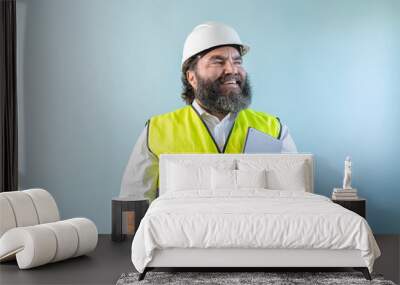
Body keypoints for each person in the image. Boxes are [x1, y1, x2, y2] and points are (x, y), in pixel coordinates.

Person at [120, 21, 297, 201]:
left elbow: (293, 198)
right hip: (183, 229)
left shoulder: (274, 129)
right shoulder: (157, 131)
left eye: (237, 61)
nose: (232, 69)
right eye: (218, 61)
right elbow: (133, 203)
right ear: (192, 77)